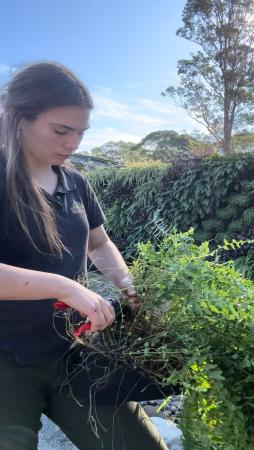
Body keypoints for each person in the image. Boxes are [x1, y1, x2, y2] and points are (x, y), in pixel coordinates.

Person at [0, 61, 168, 450]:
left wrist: (129, 288)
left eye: (80, 132)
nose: (73, 143)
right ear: (20, 118)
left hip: (74, 348)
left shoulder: (75, 182)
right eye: (61, 130)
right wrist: (63, 286)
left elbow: (98, 243)